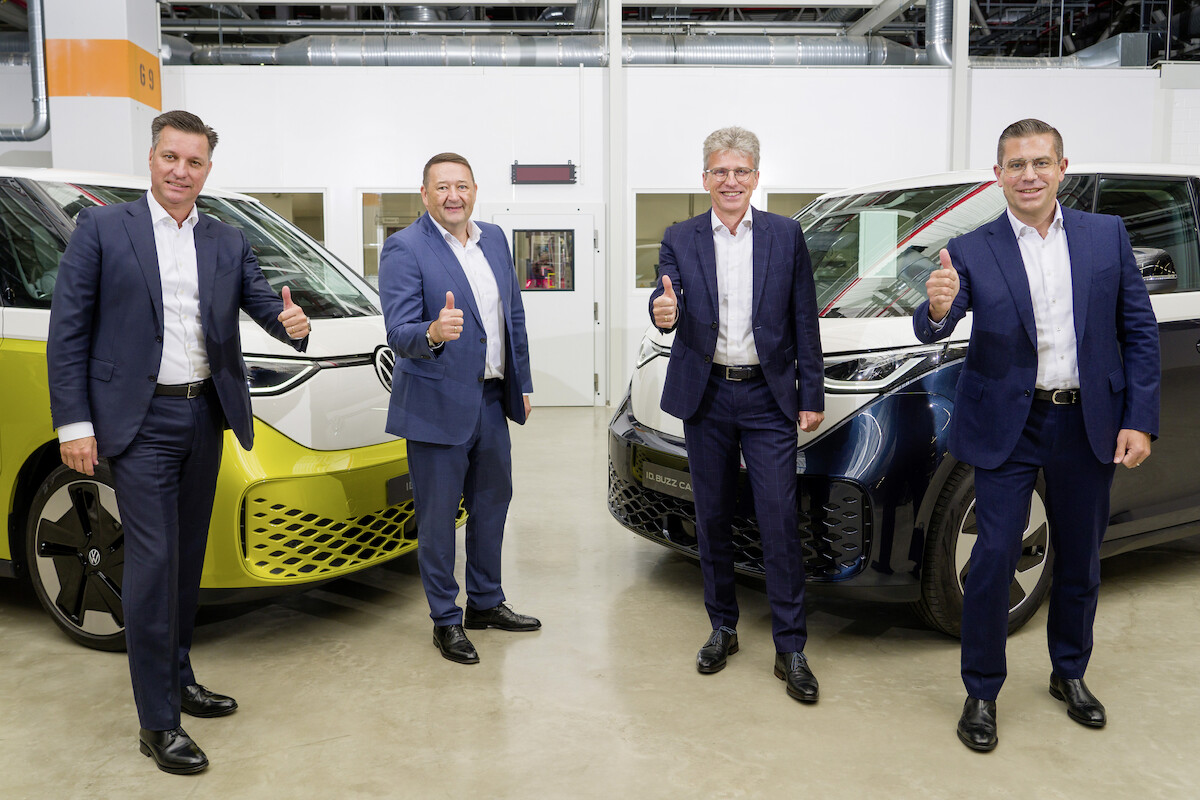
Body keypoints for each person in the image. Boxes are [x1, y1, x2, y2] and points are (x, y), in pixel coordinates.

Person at [47, 110, 310, 774]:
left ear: (207, 171)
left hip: (204, 417)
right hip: (138, 423)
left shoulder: (225, 238)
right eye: (171, 157)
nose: (180, 171)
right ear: (152, 158)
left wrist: (293, 322)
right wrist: (74, 424)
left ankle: (180, 678)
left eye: (194, 163)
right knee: (155, 565)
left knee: (186, 561)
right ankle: (157, 722)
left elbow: (263, 304)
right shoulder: (104, 229)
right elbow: (69, 330)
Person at [914, 118, 1160, 752]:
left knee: (1079, 556)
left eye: (1040, 163)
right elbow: (936, 326)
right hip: (1006, 426)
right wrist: (937, 308)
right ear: (997, 175)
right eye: (1015, 165)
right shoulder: (971, 249)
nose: (1028, 175)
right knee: (993, 557)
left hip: (1089, 421)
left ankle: (1069, 673)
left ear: (1061, 168)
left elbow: (1138, 332)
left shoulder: (1107, 236)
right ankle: (981, 689)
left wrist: (1138, 417)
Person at [649, 126, 826, 703]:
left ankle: (790, 644)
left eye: (741, 171)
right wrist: (664, 314)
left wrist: (812, 394)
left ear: (755, 177)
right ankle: (722, 626)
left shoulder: (784, 234)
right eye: (720, 171)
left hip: (767, 397)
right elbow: (663, 304)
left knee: (778, 518)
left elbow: (805, 319)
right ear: (705, 179)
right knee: (713, 517)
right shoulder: (679, 236)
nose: (730, 181)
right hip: (707, 397)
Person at [379, 152, 538, 666]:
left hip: (491, 399)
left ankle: (486, 604)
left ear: (475, 190)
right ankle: (446, 618)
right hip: (435, 404)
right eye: (442, 187)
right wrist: (432, 332)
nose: (453, 195)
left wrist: (523, 383)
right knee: (439, 518)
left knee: (492, 504)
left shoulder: (493, 238)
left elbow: (512, 313)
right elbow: (398, 331)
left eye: (462, 186)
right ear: (425, 195)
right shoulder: (404, 247)